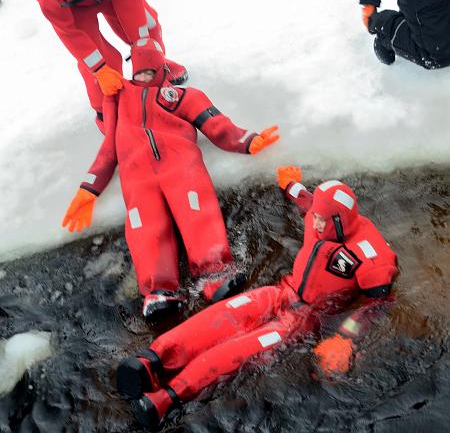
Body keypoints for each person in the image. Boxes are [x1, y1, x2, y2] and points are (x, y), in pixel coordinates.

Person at [116, 170, 398, 430]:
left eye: (323, 219)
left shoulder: (373, 258)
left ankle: (168, 397)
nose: (315, 222)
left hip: (305, 318)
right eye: (316, 217)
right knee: (229, 312)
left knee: (245, 346)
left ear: (339, 221)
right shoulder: (319, 215)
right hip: (283, 292)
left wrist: (345, 338)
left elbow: (380, 305)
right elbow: (308, 202)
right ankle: (153, 360)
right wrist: (290, 183)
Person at [62, 38, 279, 319]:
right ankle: (159, 291)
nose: (142, 77)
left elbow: (216, 124)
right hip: (137, 177)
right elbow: (108, 151)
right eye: (138, 72)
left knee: (198, 212)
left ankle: (215, 272)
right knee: (146, 228)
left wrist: (247, 141)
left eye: (149, 72)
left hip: (182, 167)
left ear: (161, 69)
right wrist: (89, 189)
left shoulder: (183, 97)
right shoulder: (118, 98)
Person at [27, 0, 187, 131]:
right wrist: (99, 70)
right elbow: (68, 31)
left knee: (148, 26)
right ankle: (106, 111)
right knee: (104, 61)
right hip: (72, 3)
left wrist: (144, 49)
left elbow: (130, 2)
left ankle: (157, 69)